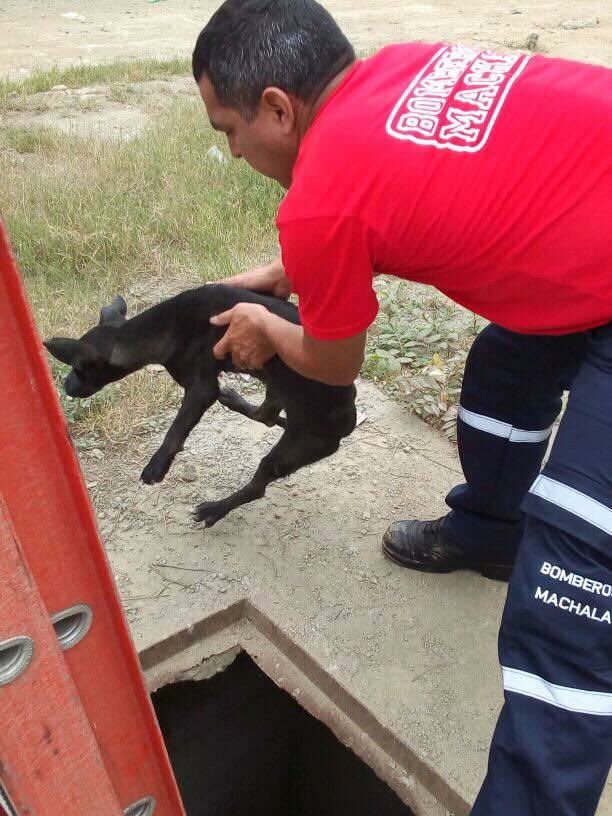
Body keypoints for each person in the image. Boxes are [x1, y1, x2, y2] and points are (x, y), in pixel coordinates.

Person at [192, 1, 612, 812]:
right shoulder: (398, 69)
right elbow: (410, 186)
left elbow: (333, 363)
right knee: (505, 372)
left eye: (230, 131)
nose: (235, 151)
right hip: (592, 267)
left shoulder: (320, 201)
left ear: (279, 107)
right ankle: (490, 534)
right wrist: (300, 273)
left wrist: (274, 333)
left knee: (572, 577)